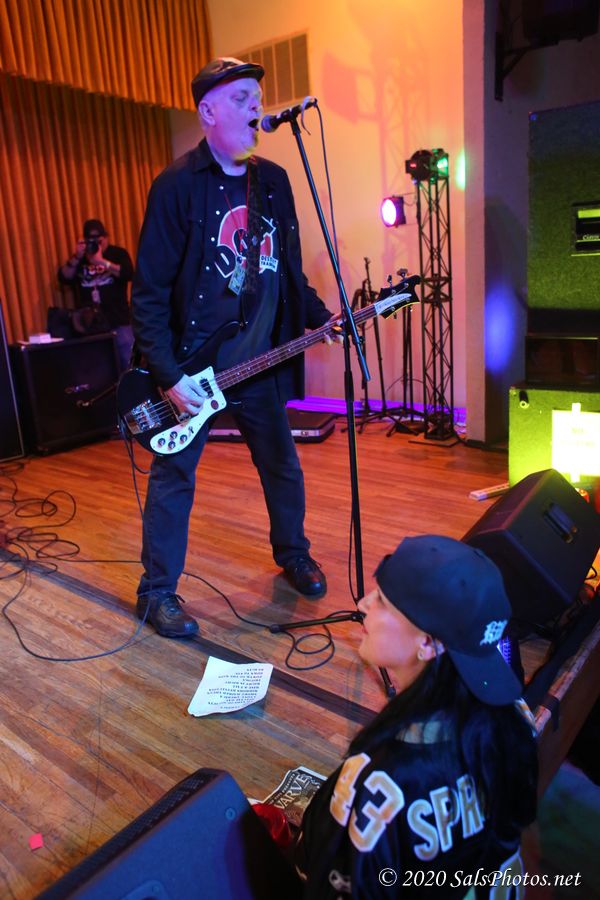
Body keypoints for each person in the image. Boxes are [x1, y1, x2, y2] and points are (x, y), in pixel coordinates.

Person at [131, 57, 338, 638]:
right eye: (242, 98)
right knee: (174, 479)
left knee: (282, 466)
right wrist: (168, 376)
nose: (256, 107)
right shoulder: (177, 186)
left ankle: (293, 553)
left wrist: (323, 317)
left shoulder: (274, 181)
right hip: (194, 371)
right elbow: (148, 293)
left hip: (258, 363)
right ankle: (157, 592)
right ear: (208, 111)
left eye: (257, 98)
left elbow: (288, 272)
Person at [293, 535, 538, 898]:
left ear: (426, 643)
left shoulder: (381, 781)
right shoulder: (517, 717)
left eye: (383, 601)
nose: (362, 604)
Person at [59, 219, 134, 371]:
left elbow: (128, 273)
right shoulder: (81, 259)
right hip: (90, 326)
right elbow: (64, 278)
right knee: (99, 371)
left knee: (129, 365)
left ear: (106, 238)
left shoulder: (117, 253)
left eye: (98, 241)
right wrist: (77, 257)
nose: (95, 245)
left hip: (118, 321)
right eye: (90, 241)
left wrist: (102, 261)